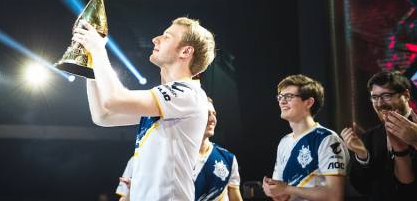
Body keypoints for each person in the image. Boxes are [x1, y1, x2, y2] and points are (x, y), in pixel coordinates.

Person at [73, 17, 216, 201]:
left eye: (167, 36)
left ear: (186, 51)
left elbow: (114, 99)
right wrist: (90, 67)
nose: (155, 39)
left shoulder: (188, 93)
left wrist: (98, 48)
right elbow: (103, 116)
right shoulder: (166, 101)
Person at [115, 97, 243, 201]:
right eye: (207, 114)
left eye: (214, 113)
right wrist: (137, 191)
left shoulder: (228, 159)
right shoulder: (155, 157)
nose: (212, 119)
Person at [341, 71, 417, 200]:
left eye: (386, 95)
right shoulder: (369, 137)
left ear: (406, 95)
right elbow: (362, 187)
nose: (379, 104)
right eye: (375, 97)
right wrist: (362, 156)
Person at [263, 75, 349, 201]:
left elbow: (335, 195)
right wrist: (273, 190)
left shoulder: (327, 139)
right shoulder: (284, 142)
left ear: (309, 102)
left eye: (288, 97)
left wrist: (287, 189)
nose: (282, 101)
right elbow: (282, 195)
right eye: (280, 97)